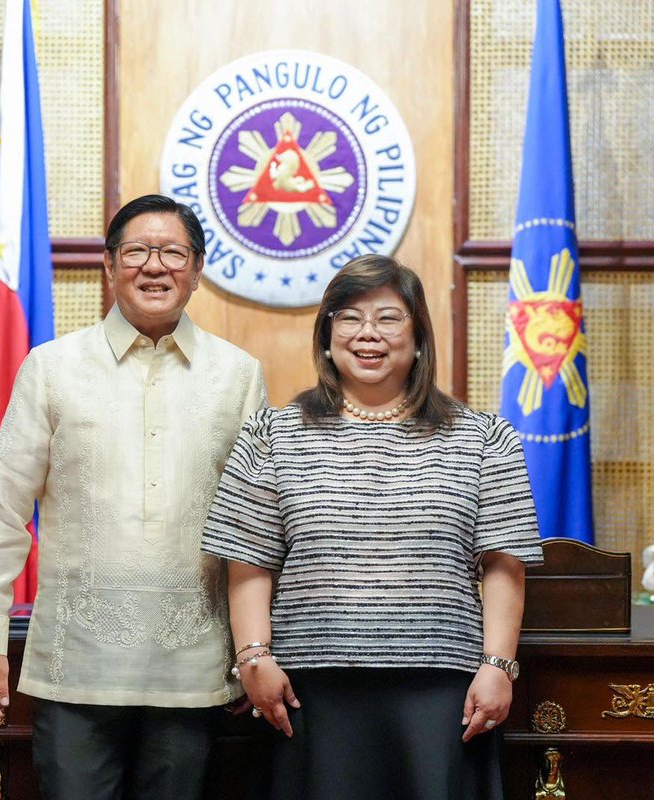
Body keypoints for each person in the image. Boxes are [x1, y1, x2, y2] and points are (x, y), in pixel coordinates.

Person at [202, 254, 543, 799]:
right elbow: (248, 561)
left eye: (388, 318)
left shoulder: (485, 438)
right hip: (309, 693)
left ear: (419, 336)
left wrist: (499, 665)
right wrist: (253, 659)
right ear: (327, 334)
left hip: (442, 694)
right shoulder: (272, 433)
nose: (368, 334)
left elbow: (504, 565)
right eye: (349, 317)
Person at [0, 193, 267, 800]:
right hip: (75, 665)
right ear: (109, 265)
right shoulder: (51, 367)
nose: (154, 266)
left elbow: (255, 528)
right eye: (137, 251)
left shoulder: (238, 376)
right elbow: (2, 508)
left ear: (198, 270)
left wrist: (250, 653)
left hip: (193, 667)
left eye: (174, 253)